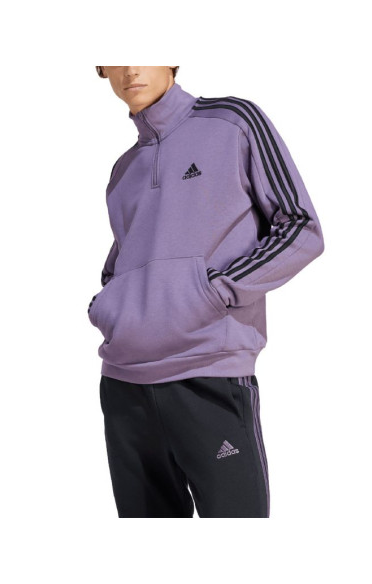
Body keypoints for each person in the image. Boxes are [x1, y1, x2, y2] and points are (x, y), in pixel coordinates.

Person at [89, 66, 325, 517]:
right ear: (101, 69)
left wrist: (216, 291)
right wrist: (110, 307)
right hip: (123, 385)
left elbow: (300, 228)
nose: (130, 68)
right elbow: (123, 261)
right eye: (115, 56)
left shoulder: (232, 122)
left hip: (208, 373)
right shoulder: (123, 171)